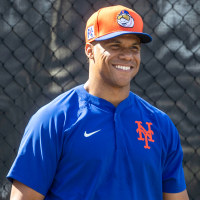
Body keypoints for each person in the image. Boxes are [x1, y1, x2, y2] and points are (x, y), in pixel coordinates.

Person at [7, 5, 189, 200]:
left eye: (134, 48)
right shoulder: (52, 119)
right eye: (115, 46)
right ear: (89, 50)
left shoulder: (160, 124)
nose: (127, 55)